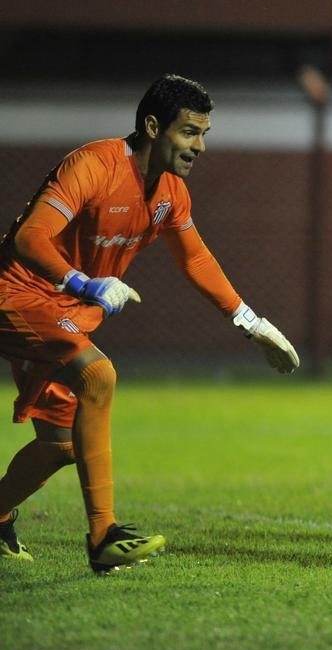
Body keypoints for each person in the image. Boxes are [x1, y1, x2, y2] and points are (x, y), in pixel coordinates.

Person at [0, 74, 300, 573]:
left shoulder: (170, 195)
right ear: (153, 126)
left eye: (205, 134)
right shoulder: (93, 165)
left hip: (64, 314)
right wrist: (82, 283)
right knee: (98, 375)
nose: (199, 146)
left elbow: (196, 260)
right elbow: (31, 239)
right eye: (189, 133)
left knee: (61, 447)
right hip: (18, 295)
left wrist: (251, 323)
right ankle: (103, 538)